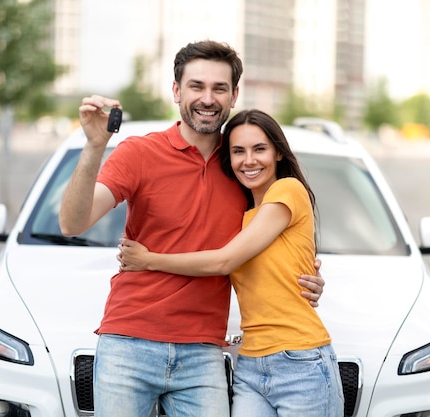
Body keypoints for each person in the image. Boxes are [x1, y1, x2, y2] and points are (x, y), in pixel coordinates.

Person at [59, 40, 325, 417]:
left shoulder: (242, 167)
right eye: (197, 86)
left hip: (203, 352)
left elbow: (271, 237)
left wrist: (306, 274)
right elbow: (72, 222)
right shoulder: (139, 153)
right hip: (129, 340)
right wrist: (94, 147)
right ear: (176, 91)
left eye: (219, 88)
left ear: (234, 96)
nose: (208, 98)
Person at [119, 109, 344, 417]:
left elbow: (224, 261)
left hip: (300, 360)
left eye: (259, 149)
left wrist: (148, 260)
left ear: (278, 151)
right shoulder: (243, 215)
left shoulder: (287, 190)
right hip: (250, 365)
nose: (248, 160)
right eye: (238, 151)